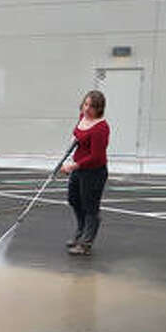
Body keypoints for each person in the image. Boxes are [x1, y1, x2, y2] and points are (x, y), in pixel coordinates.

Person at [61, 90, 109, 256]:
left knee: (90, 207)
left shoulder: (101, 128)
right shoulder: (83, 118)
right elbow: (77, 136)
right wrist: (68, 160)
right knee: (74, 199)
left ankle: (86, 243)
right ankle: (81, 230)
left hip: (94, 172)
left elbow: (96, 156)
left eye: (92, 106)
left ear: (99, 109)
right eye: (86, 104)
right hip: (79, 168)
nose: (87, 109)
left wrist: (72, 166)